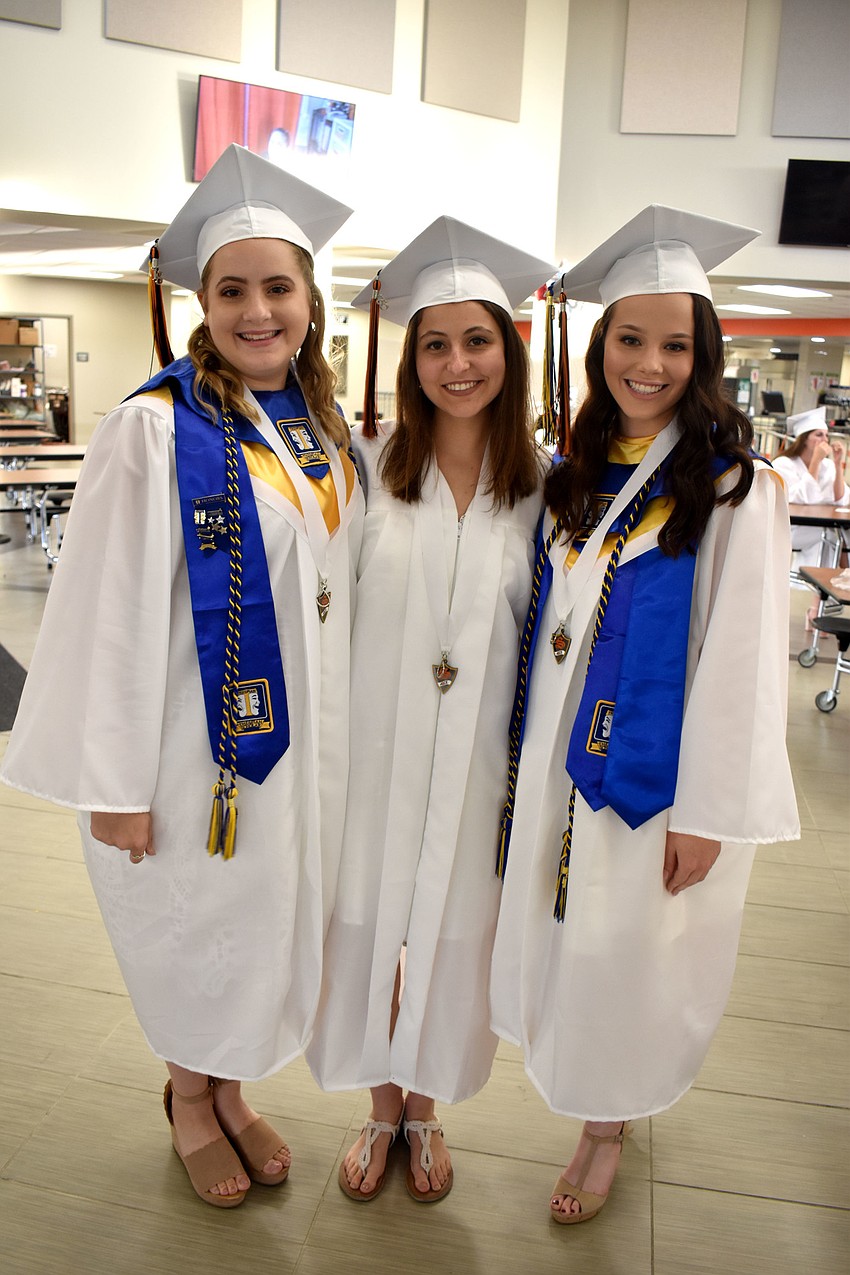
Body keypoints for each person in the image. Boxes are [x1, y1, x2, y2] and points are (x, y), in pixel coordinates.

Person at [0, 144, 364, 1208]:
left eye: (278, 287)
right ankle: (191, 1099)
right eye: (232, 289)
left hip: (299, 747)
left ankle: (232, 1087)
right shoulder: (149, 430)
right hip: (183, 752)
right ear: (201, 300)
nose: (258, 311)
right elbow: (100, 616)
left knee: (259, 922)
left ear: (310, 301)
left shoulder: (319, 432)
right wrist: (112, 783)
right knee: (195, 924)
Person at [489, 206, 800, 1225]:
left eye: (675, 345)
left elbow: (743, 664)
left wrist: (710, 813)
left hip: (655, 778)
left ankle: (607, 1123)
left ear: (703, 356)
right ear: (601, 347)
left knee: (629, 949)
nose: (650, 364)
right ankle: (585, 1084)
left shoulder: (736, 489)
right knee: (575, 935)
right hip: (558, 759)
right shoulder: (574, 473)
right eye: (630, 338)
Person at [306, 217, 554, 1202]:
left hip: (479, 757)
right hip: (374, 749)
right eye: (436, 344)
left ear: (510, 351)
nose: (458, 364)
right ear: (409, 361)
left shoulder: (544, 488)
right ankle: (380, 1108)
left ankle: (427, 1108)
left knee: (453, 931)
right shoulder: (364, 466)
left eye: (477, 340)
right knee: (368, 923)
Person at [773, 405, 849, 566]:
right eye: (819, 435)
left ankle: (838, 577)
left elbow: (841, 499)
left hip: (823, 524)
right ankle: (813, 579)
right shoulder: (784, 464)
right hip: (792, 527)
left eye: (826, 435)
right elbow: (806, 497)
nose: (824, 440)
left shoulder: (827, 465)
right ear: (804, 439)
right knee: (829, 536)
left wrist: (837, 464)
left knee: (842, 533)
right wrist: (815, 461)